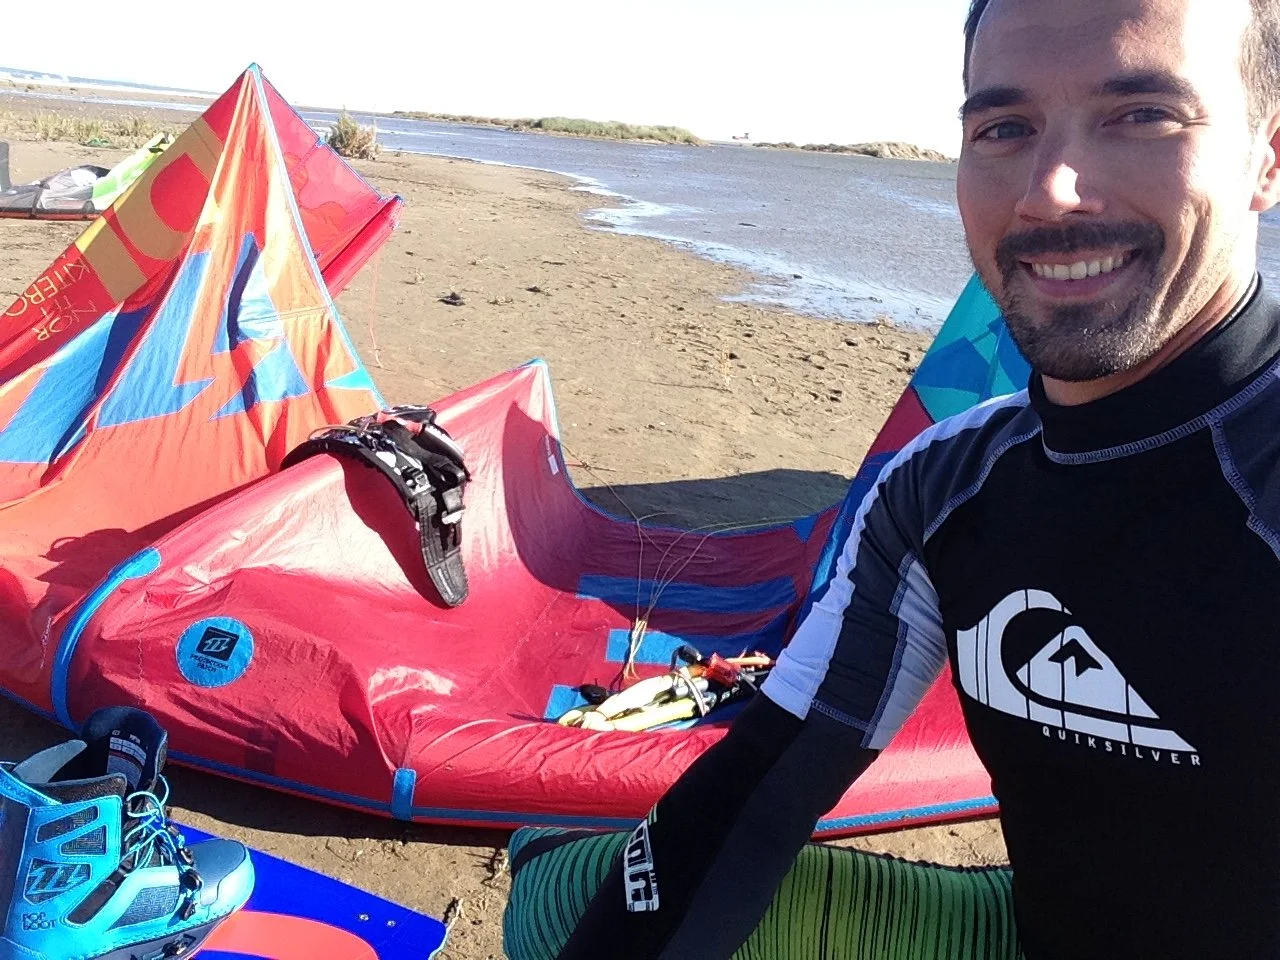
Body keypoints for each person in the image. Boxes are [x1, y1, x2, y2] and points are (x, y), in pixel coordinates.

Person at [502, 0, 1280, 956]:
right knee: (566, 902)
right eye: (1004, 128)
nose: (1050, 192)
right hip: (1034, 932)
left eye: (1143, 115)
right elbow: (760, 784)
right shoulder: (944, 485)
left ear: (1267, 156)